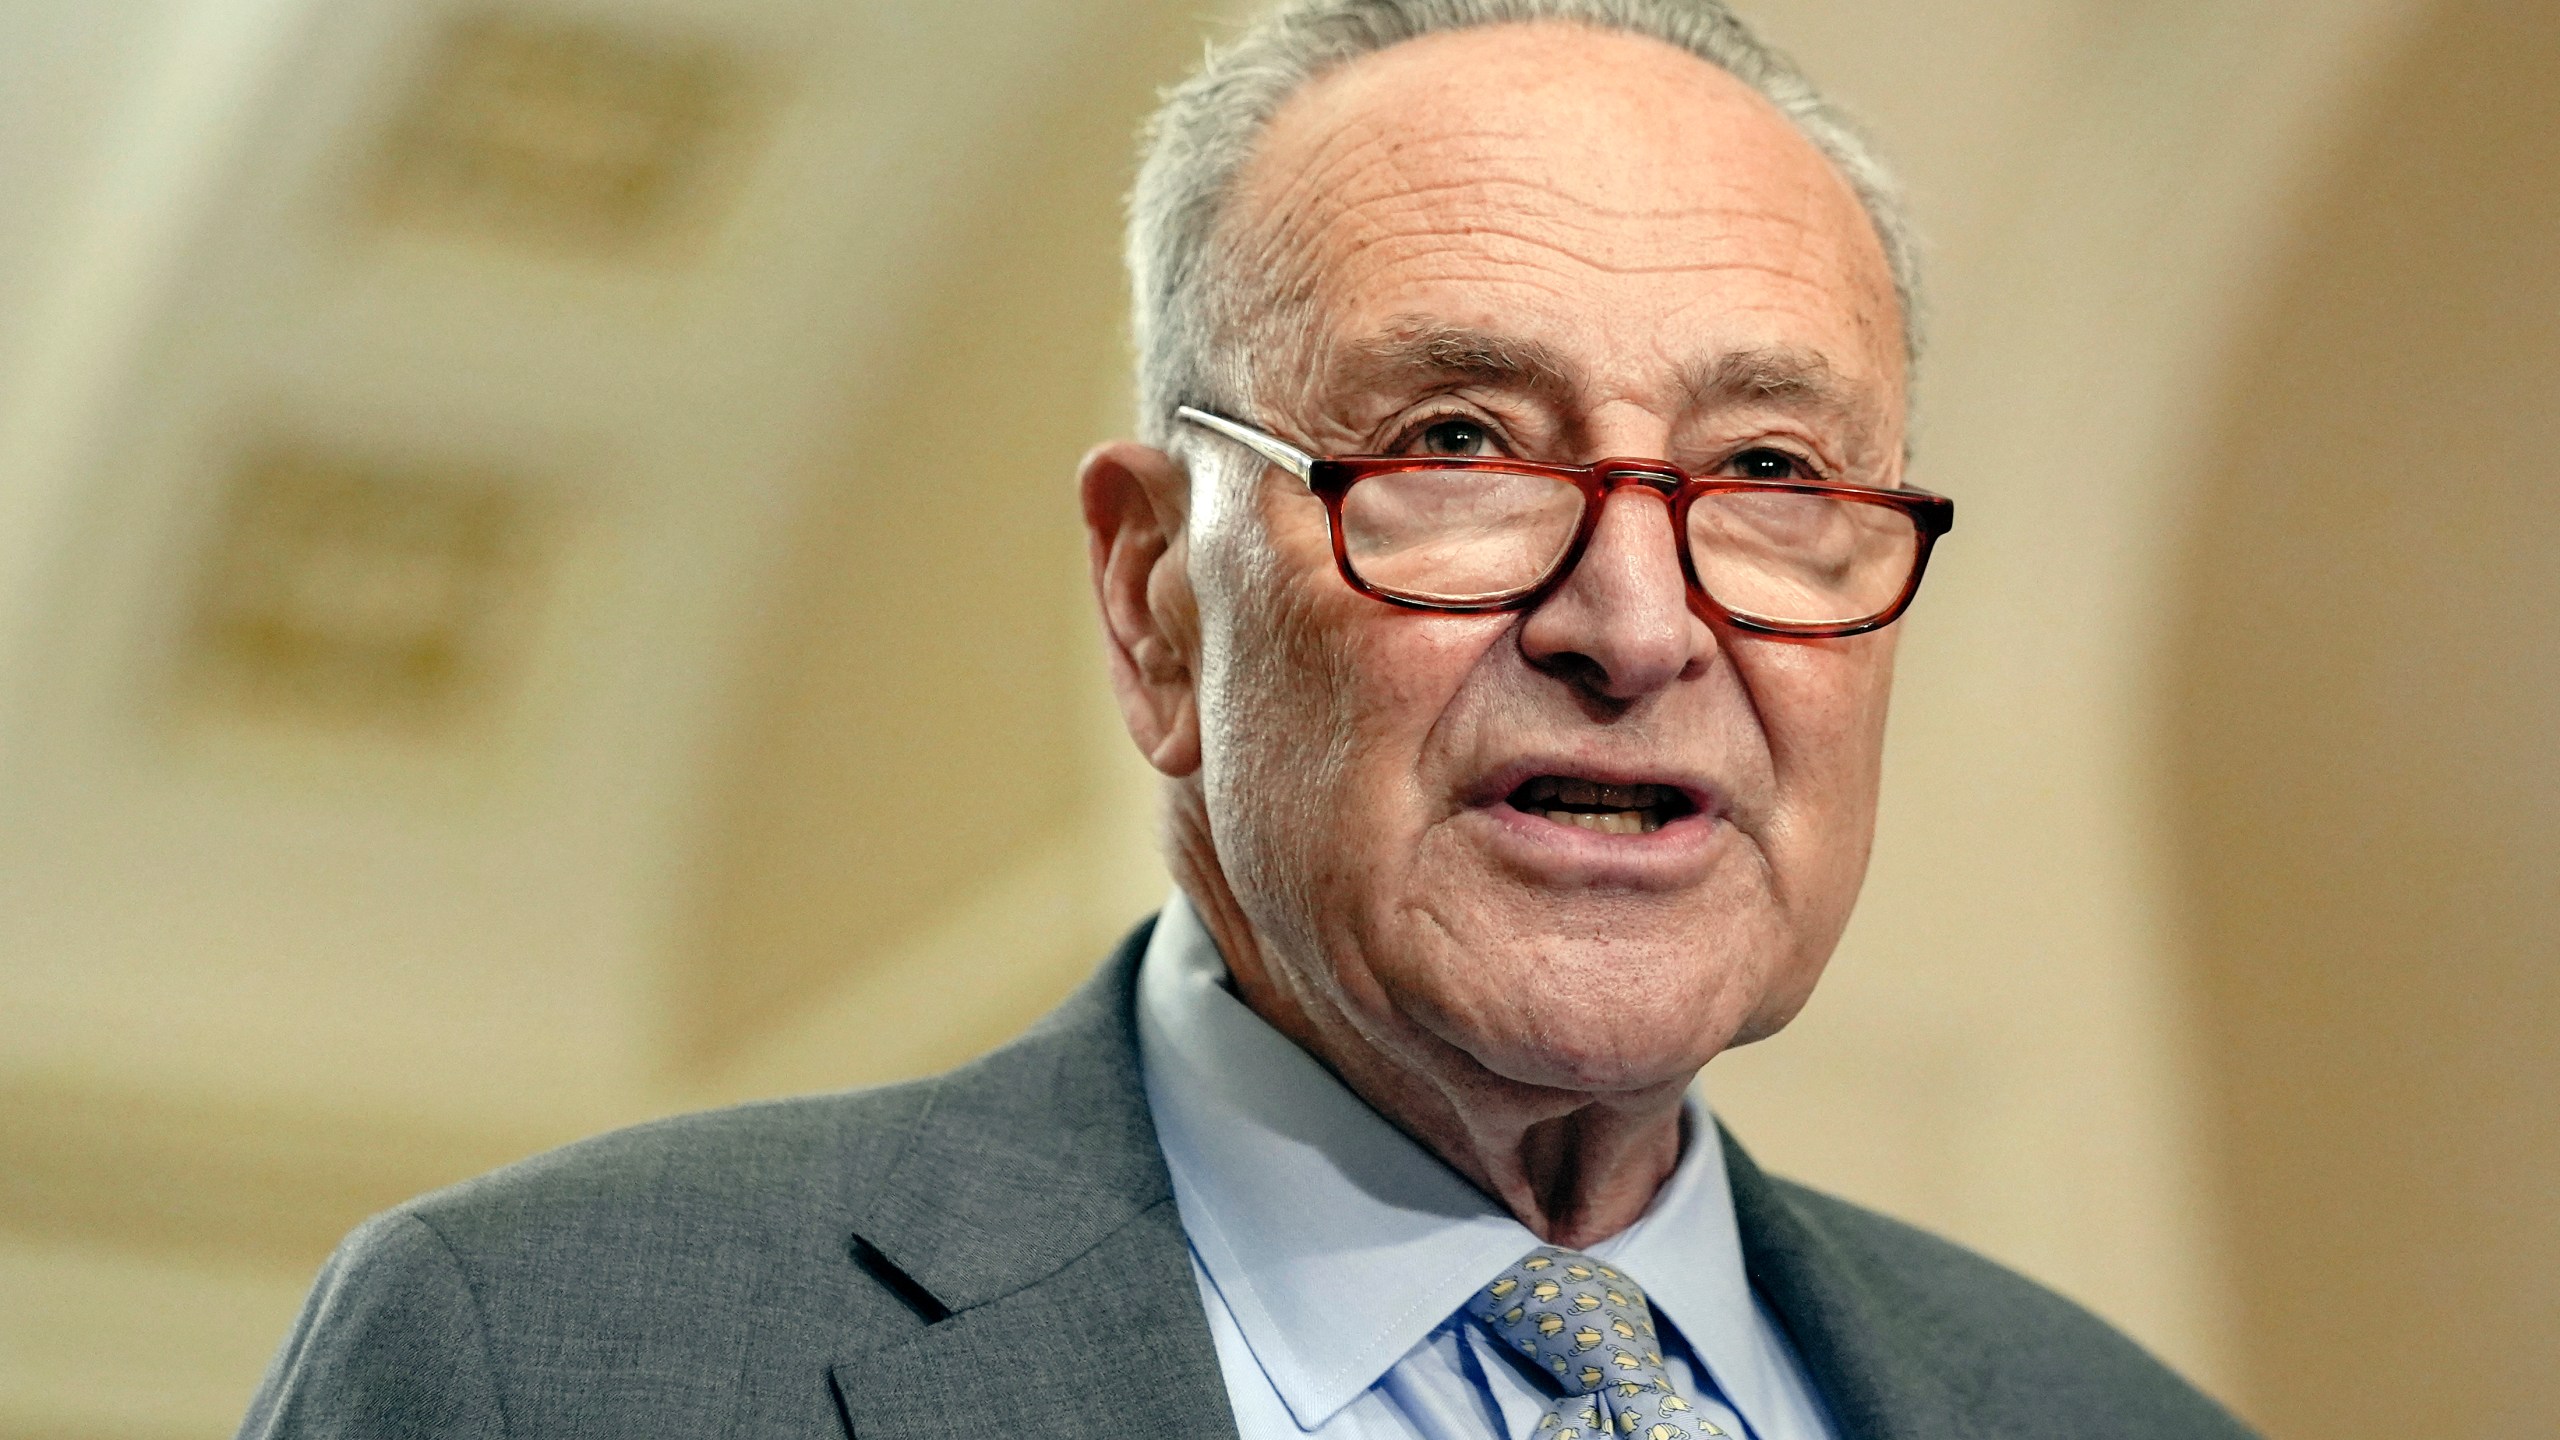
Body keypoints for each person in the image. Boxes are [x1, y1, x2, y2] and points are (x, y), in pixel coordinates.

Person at [239, 2, 2255, 1437]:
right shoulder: (548, 1368)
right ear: (1153, 603)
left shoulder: (2110, 1418)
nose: (1633, 621)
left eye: (1766, 476)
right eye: (1457, 444)